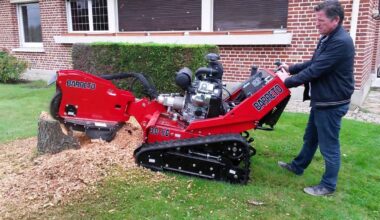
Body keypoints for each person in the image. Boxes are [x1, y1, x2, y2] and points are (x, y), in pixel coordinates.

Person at [276, 0, 355, 196]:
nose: (316, 24)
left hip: (332, 101)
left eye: (320, 20)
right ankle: (297, 166)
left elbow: (316, 70)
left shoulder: (341, 42)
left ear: (335, 20)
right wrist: (291, 68)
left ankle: (328, 185)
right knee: (310, 137)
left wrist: (287, 81)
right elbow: (314, 62)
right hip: (323, 100)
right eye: (316, 20)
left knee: (329, 145)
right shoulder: (328, 37)